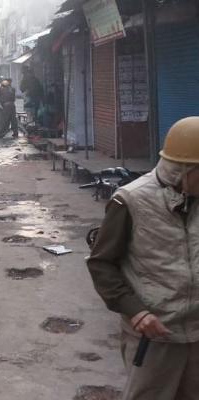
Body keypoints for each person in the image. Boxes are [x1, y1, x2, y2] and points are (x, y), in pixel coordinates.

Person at [87, 116, 199, 400]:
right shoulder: (130, 201)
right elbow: (102, 264)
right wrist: (136, 311)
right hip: (155, 335)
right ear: (182, 169)